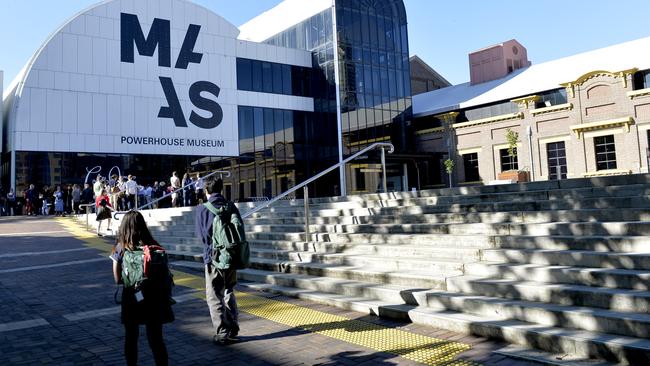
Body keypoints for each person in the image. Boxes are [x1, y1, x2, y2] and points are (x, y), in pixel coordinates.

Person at [110, 211, 173, 366]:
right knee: (156, 339)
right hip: (155, 298)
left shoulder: (120, 247)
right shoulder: (153, 245)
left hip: (132, 297)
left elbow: (117, 279)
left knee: (131, 337)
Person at [195, 178, 241, 344]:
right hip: (231, 257)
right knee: (229, 291)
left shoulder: (202, 209)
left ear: (206, 191)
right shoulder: (230, 206)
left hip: (213, 257)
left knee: (214, 296)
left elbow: (202, 237)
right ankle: (233, 325)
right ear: (221, 190)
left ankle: (222, 333)